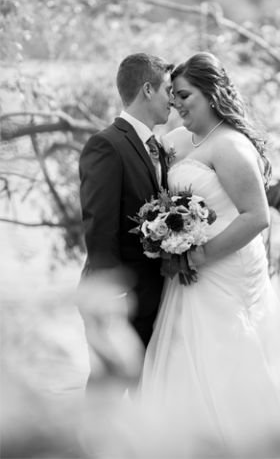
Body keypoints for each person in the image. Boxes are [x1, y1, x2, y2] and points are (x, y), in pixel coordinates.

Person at [137, 52, 280, 458]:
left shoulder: (231, 146)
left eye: (184, 95)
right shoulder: (176, 143)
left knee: (232, 369)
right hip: (186, 279)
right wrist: (163, 232)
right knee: (184, 369)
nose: (176, 104)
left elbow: (256, 217)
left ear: (211, 94)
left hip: (223, 274)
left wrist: (198, 255)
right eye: (173, 96)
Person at [78, 53, 174, 395]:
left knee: (144, 390)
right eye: (168, 90)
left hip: (153, 293)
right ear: (147, 90)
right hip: (119, 297)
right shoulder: (106, 144)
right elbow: (99, 227)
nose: (172, 100)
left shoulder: (158, 146)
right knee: (109, 387)